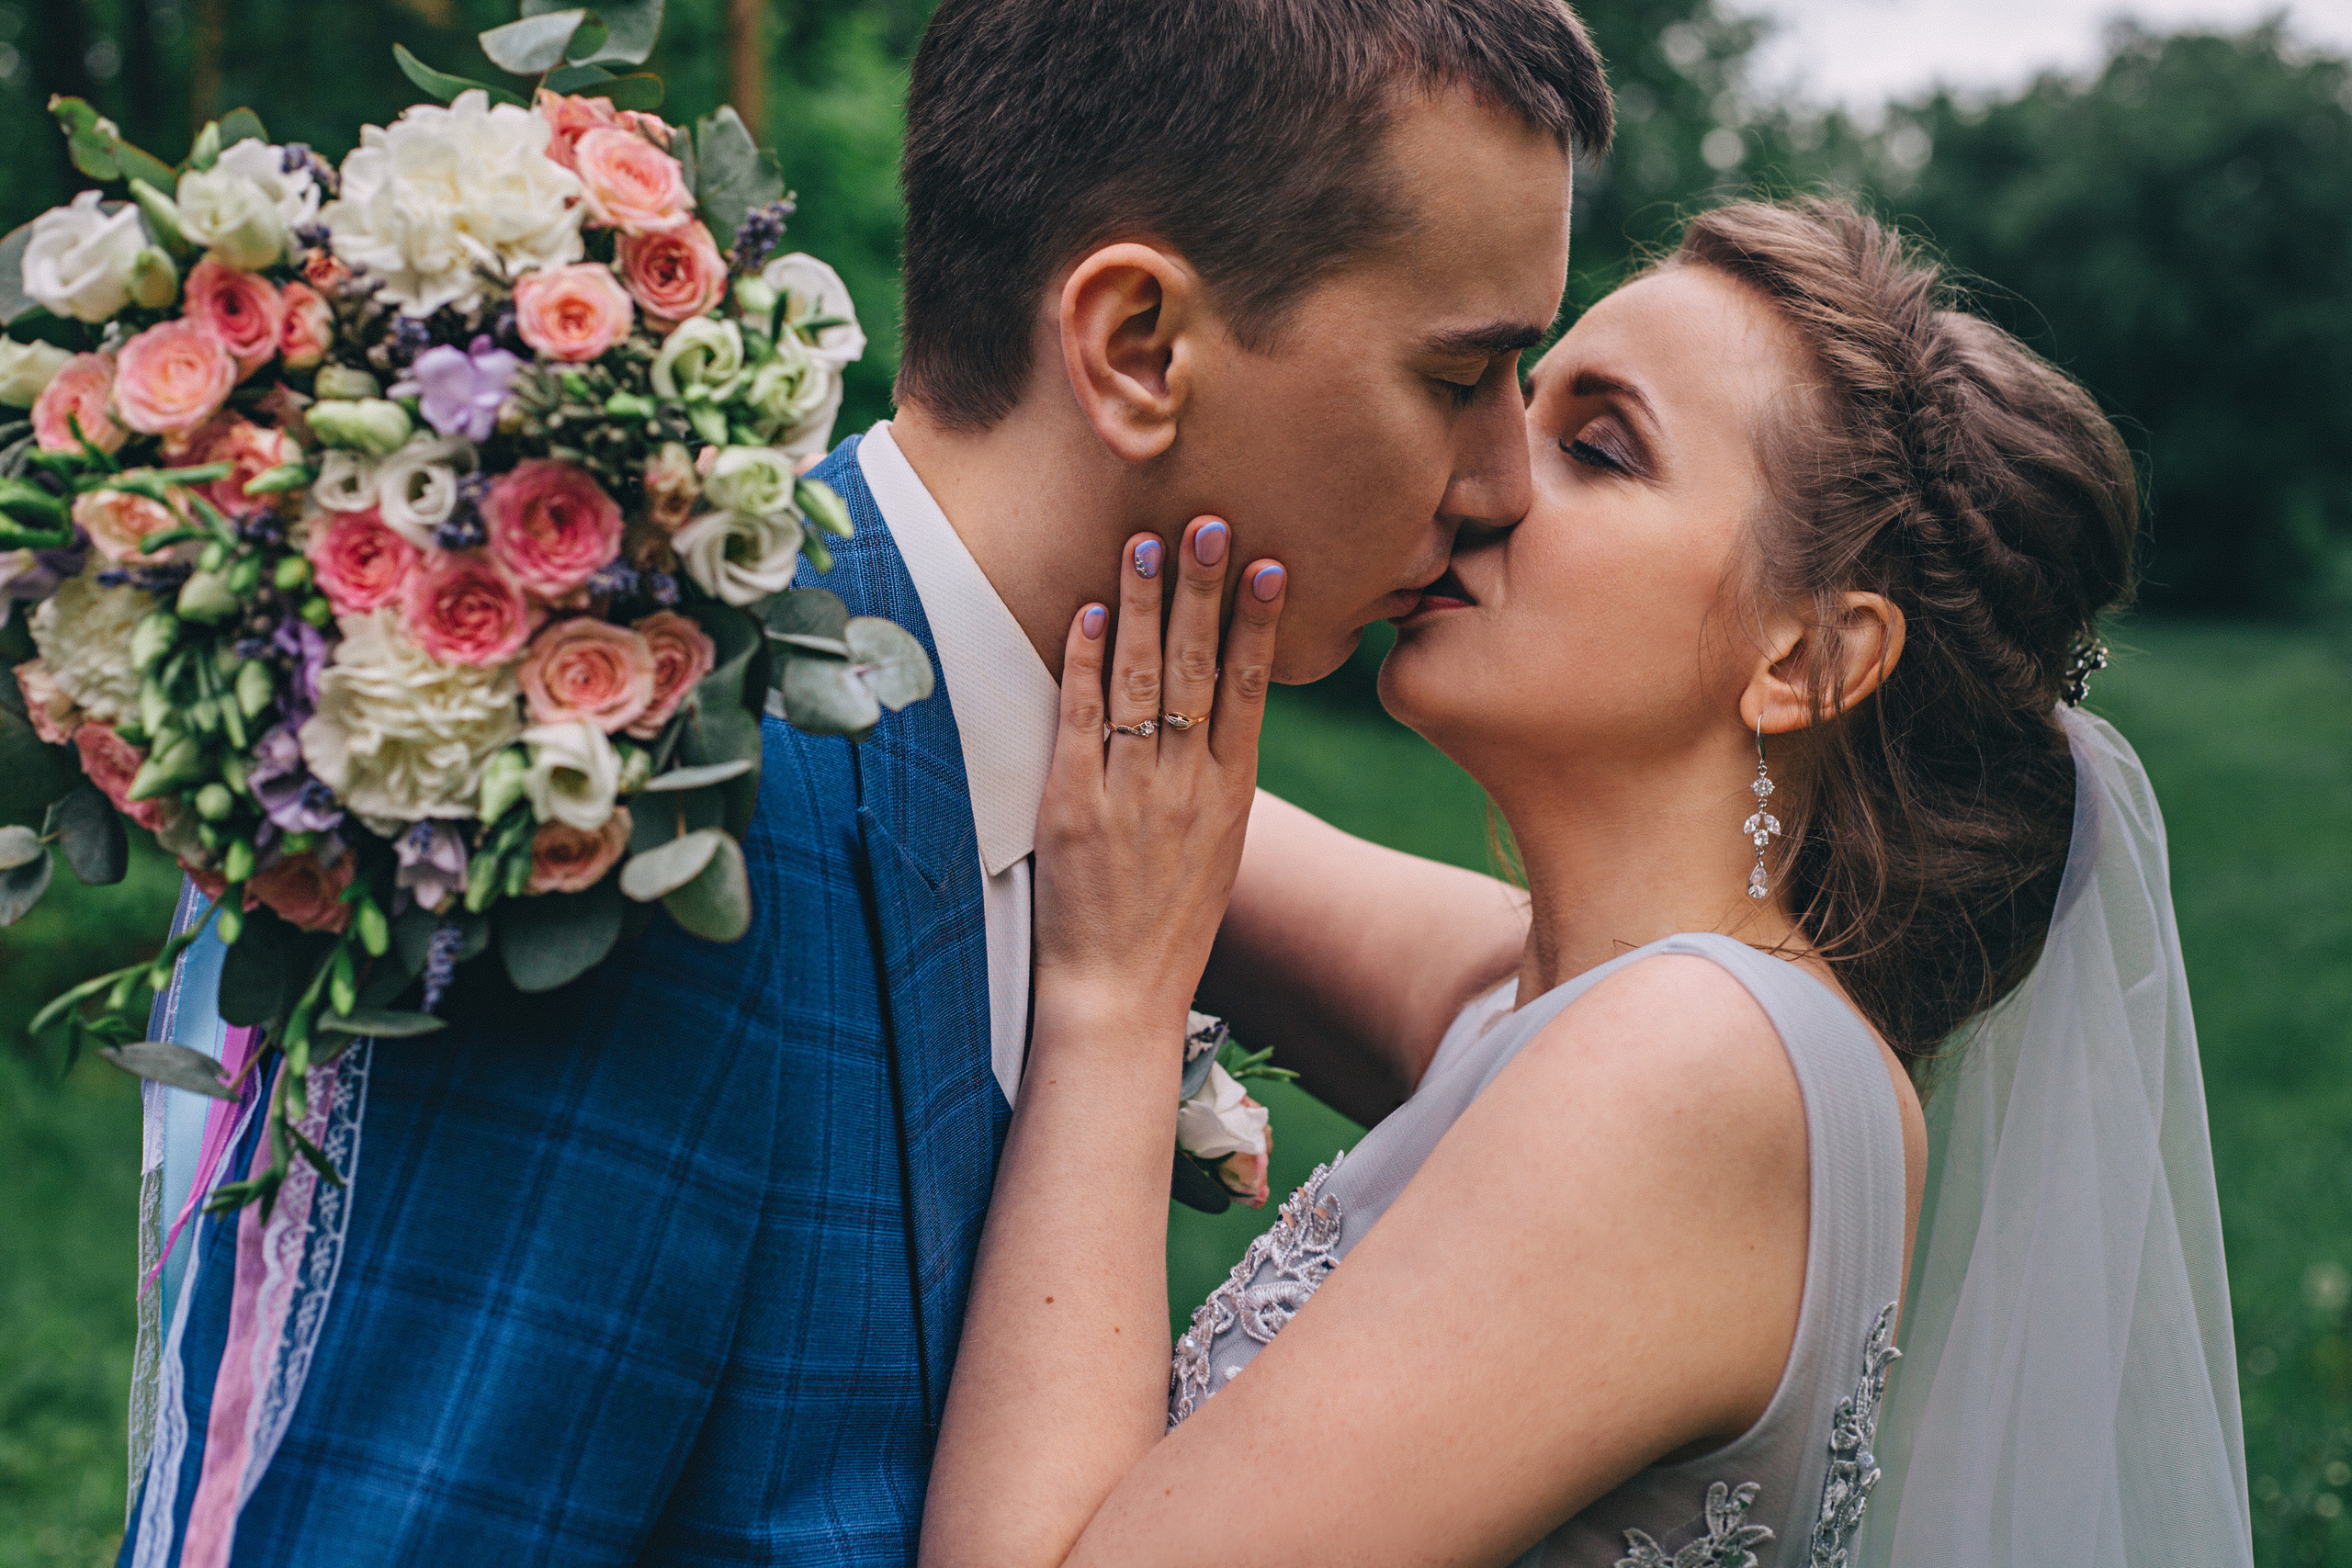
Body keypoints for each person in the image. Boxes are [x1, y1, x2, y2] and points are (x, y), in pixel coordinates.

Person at [121, 2, 1611, 1563]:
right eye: (1463, 379)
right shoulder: (662, 814)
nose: (1507, 483)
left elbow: (1570, 1006)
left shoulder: (1093, 793)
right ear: (1138, 348)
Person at [921, 197, 2253, 1566]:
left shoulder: (1698, 1064)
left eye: (1596, 449)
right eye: (1491, 395)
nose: (1481, 478)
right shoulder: (1573, 994)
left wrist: (1115, 1004)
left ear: (1808, 660)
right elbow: (1149, 812)